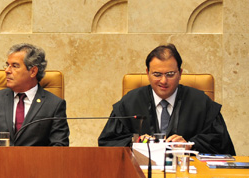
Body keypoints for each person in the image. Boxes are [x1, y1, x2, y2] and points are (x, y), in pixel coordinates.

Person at [97, 44, 235, 155]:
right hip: (140, 175)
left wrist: (189, 145)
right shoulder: (130, 102)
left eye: (170, 74)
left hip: (187, 175)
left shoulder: (201, 102)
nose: (163, 81)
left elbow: (222, 145)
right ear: (147, 73)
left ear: (180, 73)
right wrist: (136, 142)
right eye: (157, 74)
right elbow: (108, 143)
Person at [0, 43, 69, 146]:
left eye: (14, 66)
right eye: (7, 65)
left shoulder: (54, 105)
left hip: (35, 161)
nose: (7, 70)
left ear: (33, 71)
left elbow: (59, 146)